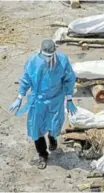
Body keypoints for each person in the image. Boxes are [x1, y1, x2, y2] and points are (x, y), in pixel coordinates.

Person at [9, 39, 77, 169]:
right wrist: (19, 97)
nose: (48, 58)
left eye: (50, 56)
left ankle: (52, 138)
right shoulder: (33, 62)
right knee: (36, 128)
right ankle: (42, 154)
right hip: (38, 101)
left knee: (55, 124)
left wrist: (69, 99)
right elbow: (26, 79)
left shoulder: (62, 61)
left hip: (56, 99)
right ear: (40, 51)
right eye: (45, 55)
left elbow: (69, 79)